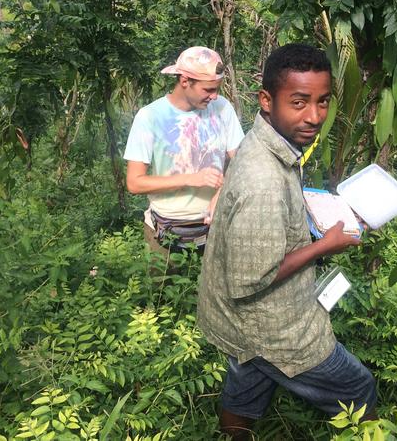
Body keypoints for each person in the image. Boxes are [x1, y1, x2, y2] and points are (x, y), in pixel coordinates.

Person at [197, 44, 377, 440]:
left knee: (246, 387)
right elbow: (247, 281)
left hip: (236, 322)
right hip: (272, 326)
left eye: (322, 101)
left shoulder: (266, 144)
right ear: (266, 99)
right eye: (299, 102)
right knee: (358, 389)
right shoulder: (262, 179)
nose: (314, 116)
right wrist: (323, 245)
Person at [124, 46, 244, 257]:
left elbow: (242, 163)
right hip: (166, 234)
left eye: (217, 89)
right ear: (185, 81)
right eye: (208, 90)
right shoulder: (150, 117)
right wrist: (191, 179)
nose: (214, 96)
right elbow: (135, 182)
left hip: (216, 227)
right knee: (165, 289)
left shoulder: (223, 108)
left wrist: (221, 191)